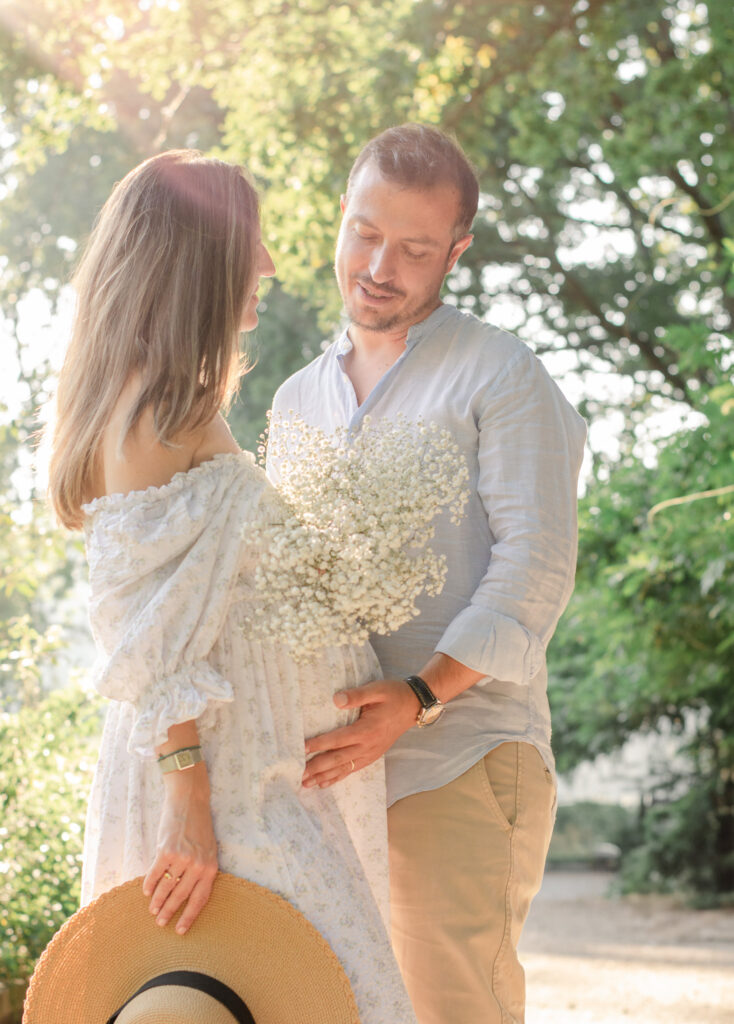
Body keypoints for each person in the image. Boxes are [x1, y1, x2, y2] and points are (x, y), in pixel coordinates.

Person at [47, 150, 416, 1024]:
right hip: (219, 788)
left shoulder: (182, 404)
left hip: (260, 775)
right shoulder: (149, 410)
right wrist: (189, 805)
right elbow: (140, 634)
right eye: (252, 242)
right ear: (202, 255)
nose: (270, 265)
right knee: (327, 990)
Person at [268, 123, 587, 1024]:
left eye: (414, 249)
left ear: (456, 251)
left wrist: (419, 695)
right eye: (366, 233)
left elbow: (535, 571)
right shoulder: (296, 399)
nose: (380, 265)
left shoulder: (502, 374)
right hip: (330, 775)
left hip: (459, 756)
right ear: (342, 215)